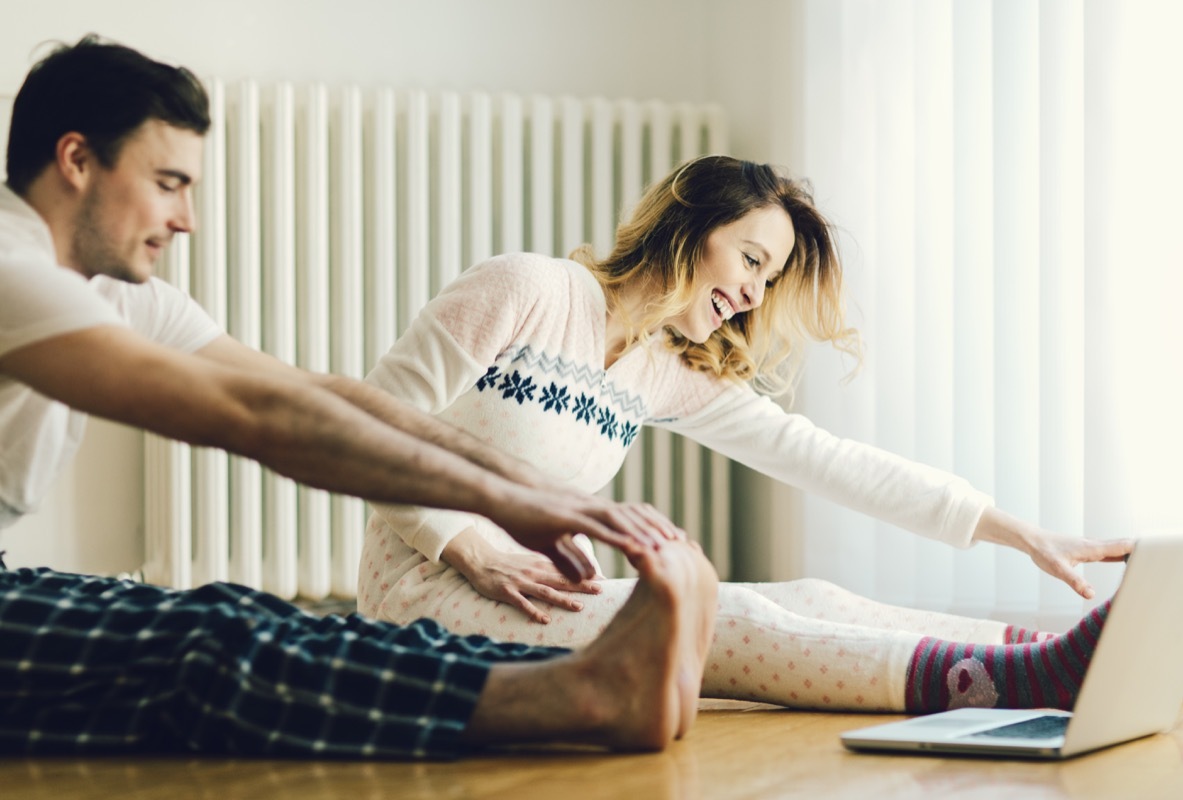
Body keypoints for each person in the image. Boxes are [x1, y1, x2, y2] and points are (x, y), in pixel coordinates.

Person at [0, 35, 719, 758]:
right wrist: (503, 504)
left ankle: (583, 674)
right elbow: (260, 419)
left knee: (241, 613)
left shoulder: (105, 291)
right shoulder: (12, 269)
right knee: (208, 650)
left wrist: (531, 486)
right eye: (167, 183)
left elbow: (317, 393)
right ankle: (589, 693)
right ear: (77, 160)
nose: (186, 219)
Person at [358, 153, 1143, 714]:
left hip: (542, 593)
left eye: (768, 278)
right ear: (690, 223)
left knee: (814, 596)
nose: (754, 292)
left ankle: (1066, 656)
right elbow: (366, 429)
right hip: (424, 594)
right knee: (726, 618)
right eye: (751, 258)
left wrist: (1022, 534)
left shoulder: (663, 368)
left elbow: (826, 460)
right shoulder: (527, 290)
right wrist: (465, 544)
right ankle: (1022, 682)